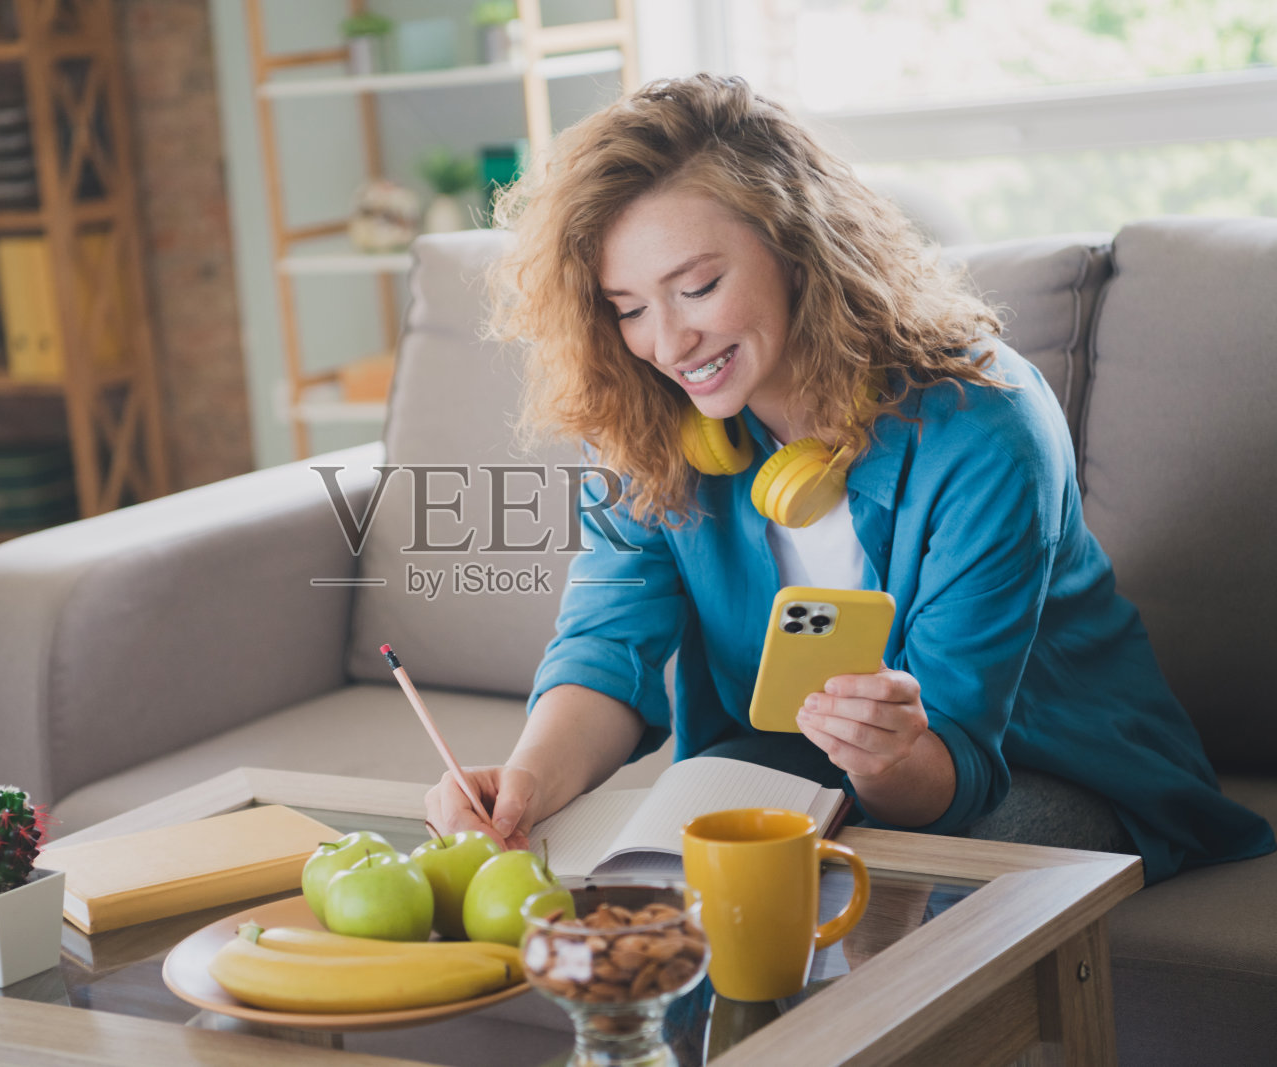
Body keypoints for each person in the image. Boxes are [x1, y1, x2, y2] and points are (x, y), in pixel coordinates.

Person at [424, 74, 1272, 885]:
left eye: (697, 287)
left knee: (911, 899)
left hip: (1044, 766)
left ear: (797, 246)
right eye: (630, 307)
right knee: (671, 897)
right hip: (798, 773)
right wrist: (528, 778)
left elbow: (958, 765)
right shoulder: (645, 421)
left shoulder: (987, 427)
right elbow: (608, 647)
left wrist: (892, 757)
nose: (668, 343)